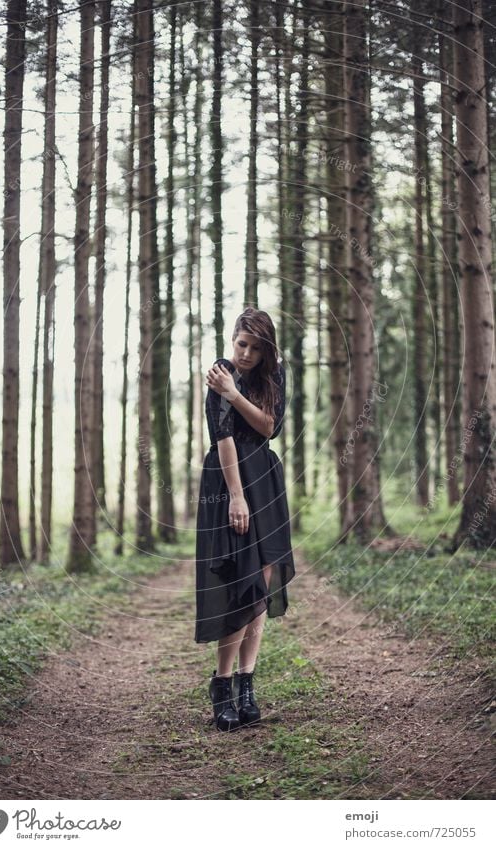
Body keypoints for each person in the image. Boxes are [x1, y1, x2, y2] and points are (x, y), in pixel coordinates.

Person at [195, 307, 296, 731]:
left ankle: (247, 682)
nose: (246, 354)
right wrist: (236, 497)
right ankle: (221, 685)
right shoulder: (220, 371)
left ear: (266, 348)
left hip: (266, 479)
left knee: (265, 576)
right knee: (239, 577)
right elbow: (223, 437)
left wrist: (236, 395)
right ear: (232, 338)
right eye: (241, 344)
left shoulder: (274, 375)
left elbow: (269, 427)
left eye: (255, 347)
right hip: (228, 479)